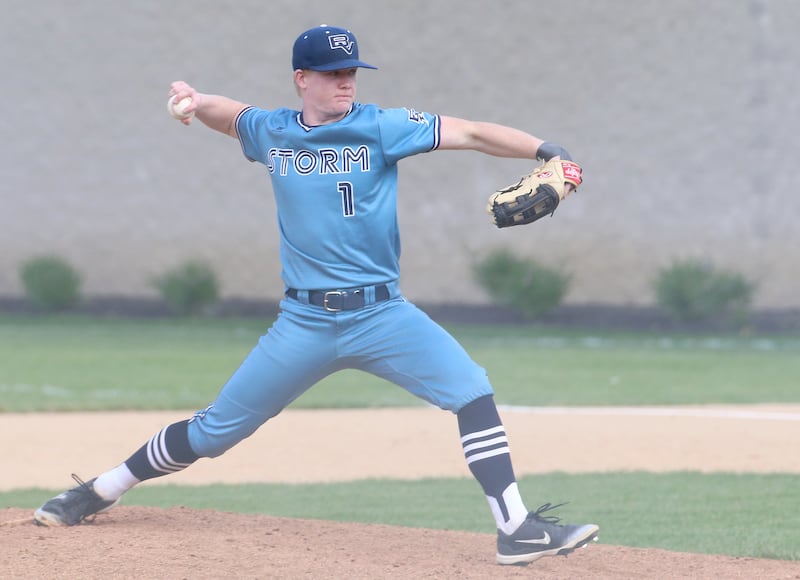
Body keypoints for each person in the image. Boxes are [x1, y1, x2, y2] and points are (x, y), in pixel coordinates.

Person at [33, 24, 598, 566]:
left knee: (471, 389)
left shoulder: (383, 125)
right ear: (302, 78)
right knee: (213, 433)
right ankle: (103, 489)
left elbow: (472, 132)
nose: (345, 80)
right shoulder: (273, 131)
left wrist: (547, 150)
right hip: (302, 322)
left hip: (382, 314)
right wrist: (196, 100)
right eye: (331, 72)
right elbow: (233, 117)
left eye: (351, 70)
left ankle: (515, 529)